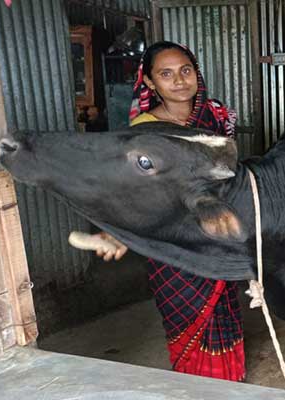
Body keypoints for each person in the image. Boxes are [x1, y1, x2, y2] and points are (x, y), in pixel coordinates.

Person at [94, 41, 245, 381]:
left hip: (217, 233)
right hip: (171, 242)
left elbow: (232, 173)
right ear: (149, 82)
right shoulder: (143, 129)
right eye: (166, 74)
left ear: (196, 73)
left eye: (185, 71)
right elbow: (130, 190)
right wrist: (115, 229)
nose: (179, 81)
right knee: (185, 312)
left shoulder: (218, 116)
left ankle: (230, 384)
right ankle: (195, 383)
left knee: (224, 310)